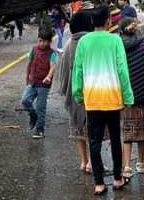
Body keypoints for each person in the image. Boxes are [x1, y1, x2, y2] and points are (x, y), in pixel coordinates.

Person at [72, 8, 134, 195]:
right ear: (108, 21)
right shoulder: (115, 40)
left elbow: (78, 71)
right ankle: (117, 178)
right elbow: (123, 70)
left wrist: (78, 95)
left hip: (92, 98)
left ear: (92, 22)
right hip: (113, 98)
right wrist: (128, 96)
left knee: (94, 141)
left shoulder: (83, 42)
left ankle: (99, 183)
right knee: (116, 139)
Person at [56, 9, 98, 173]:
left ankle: (83, 161)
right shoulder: (90, 43)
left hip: (74, 95)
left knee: (78, 128)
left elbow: (64, 72)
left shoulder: (68, 44)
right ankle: (93, 163)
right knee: (93, 130)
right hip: (92, 93)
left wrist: (69, 91)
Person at [118, 19, 144, 179]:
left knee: (128, 131)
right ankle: (140, 162)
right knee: (143, 130)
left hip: (127, 96)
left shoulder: (118, 47)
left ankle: (126, 166)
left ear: (121, 32)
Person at [22, 27, 57, 139]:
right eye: (40, 40)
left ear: (49, 41)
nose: (42, 43)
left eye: (45, 41)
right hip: (32, 81)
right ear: (38, 40)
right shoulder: (34, 49)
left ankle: (40, 129)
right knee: (25, 100)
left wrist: (48, 77)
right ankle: (33, 115)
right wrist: (27, 77)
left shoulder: (51, 53)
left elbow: (53, 67)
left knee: (41, 107)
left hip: (43, 84)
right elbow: (29, 63)